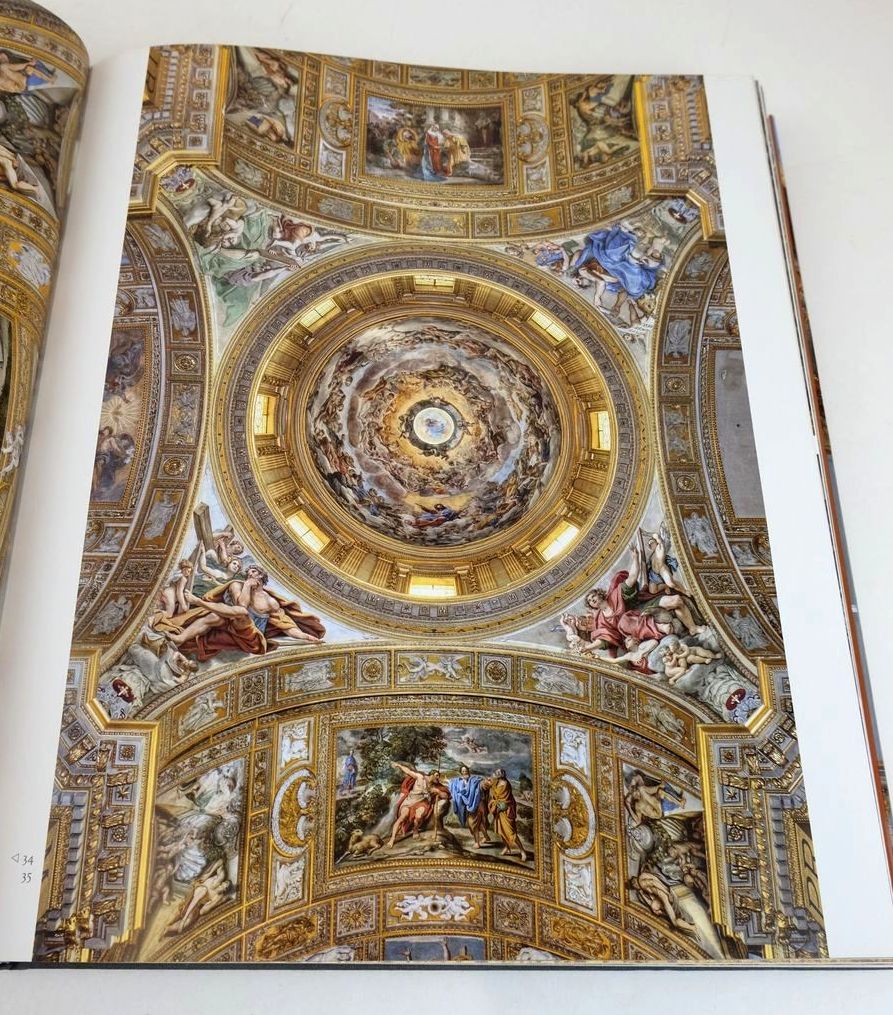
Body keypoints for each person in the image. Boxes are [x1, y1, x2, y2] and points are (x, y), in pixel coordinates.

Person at [153, 564, 325, 662]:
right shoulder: (237, 585)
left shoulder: (271, 601)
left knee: (242, 613)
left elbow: (286, 626)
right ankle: (181, 638)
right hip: (231, 623)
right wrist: (247, 586)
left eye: (254, 573)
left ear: (261, 576)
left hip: (251, 636)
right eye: (248, 573)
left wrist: (307, 637)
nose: (250, 575)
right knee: (215, 616)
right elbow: (240, 603)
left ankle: (199, 602)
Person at [387, 761, 451, 847]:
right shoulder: (420, 777)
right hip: (409, 802)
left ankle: (415, 830)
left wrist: (438, 792)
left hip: (422, 803)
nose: (438, 778)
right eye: (436, 775)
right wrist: (399, 765)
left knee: (419, 817)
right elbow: (408, 771)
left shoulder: (434, 786)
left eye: (438, 776)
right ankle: (392, 839)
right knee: (402, 817)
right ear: (431, 775)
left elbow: (446, 796)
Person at [485, 768, 528, 862]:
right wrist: (491, 783)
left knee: (511, 832)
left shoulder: (505, 784)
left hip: (506, 810)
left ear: (501, 774)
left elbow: (501, 796)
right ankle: (507, 847)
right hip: (499, 810)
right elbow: (493, 789)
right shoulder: (497, 782)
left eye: (497, 773)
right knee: (501, 831)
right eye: (496, 773)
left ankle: (522, 851)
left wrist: (492, 786)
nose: (496, 774)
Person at [448, 765, 490, 848]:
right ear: (461, 773)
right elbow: (453, 786)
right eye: (463, 771)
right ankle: (486, 837)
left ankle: (477, 843)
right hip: (469, 806)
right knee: (478, 823)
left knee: (473, 823)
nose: (465, 772)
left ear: (468, 771)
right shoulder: (459, 782)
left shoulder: (474, 780)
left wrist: (486, 783)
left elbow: (483, 784)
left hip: (478, 805)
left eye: (466, 771)